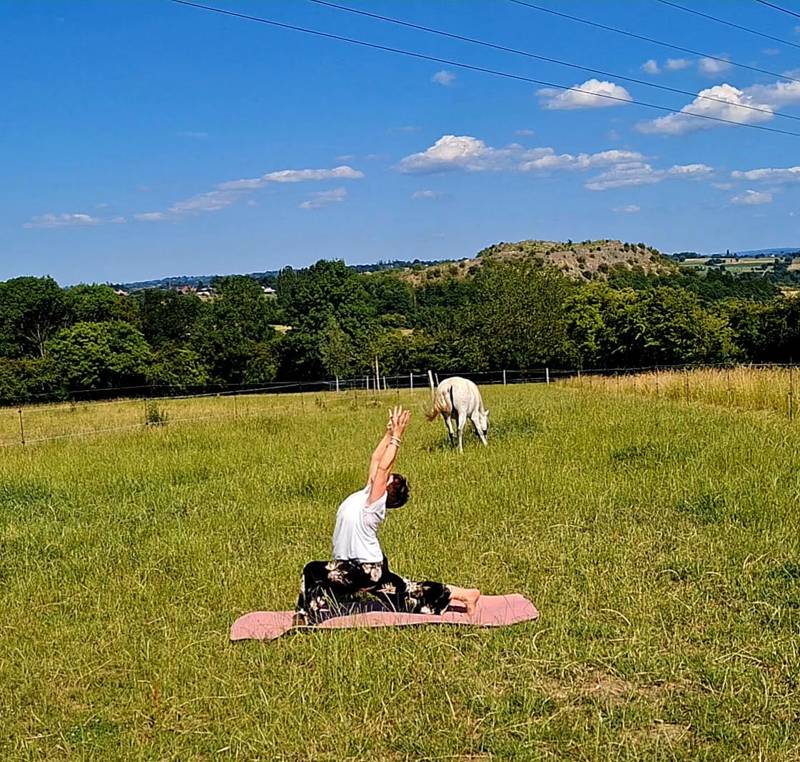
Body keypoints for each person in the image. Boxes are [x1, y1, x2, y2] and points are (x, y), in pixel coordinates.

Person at [294, 406, 481, 626]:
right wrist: (389, 432)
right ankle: (465, 594)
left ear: (386, 489)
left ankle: (305, 617)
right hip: (368, 566)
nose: (383, 475)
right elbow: (376, 459)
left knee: (312, 570)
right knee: (407, 592)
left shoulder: (374, 504)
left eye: (388, 478)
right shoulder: (368, 493)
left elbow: (383, 468)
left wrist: (398, 438)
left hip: (364, 569)